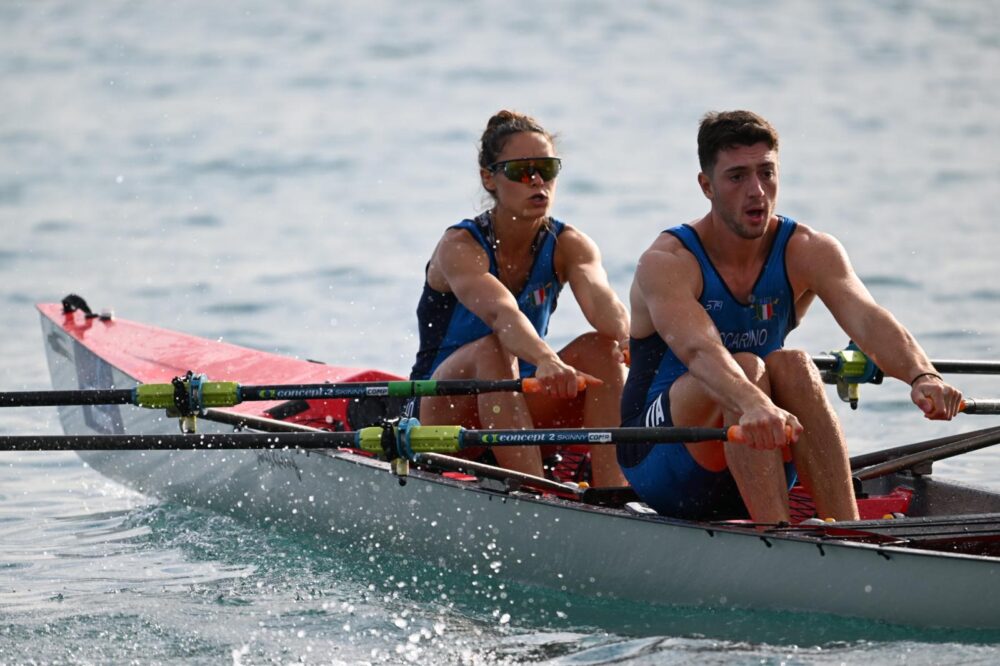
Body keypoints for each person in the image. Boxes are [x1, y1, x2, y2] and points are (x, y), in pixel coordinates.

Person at [619, 110, 964, 523]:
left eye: (767, 173)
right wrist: (753, 403)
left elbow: (868, 319)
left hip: (757, 448)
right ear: (706, 186)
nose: (757, 191)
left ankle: (847, 531)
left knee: (793, 364)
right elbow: (698, 349)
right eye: (737, 177)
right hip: (661, 459)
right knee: (746, 367)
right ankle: (777, 537)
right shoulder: (669, 261)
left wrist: (922, 375)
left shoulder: (808, 249)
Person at [408, 110, 630, 487]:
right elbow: (501, 313)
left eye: (547, 168)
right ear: (489, 178)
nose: (537, 181)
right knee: (493, 349)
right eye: (521, 171)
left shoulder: (570, 245)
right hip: (441, 411)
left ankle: (614, 494)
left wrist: (630, 340)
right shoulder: (460, 246)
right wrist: (546, 358)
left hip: (516, 406)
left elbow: (605, 306)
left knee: (605, 349)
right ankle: (534, 494)